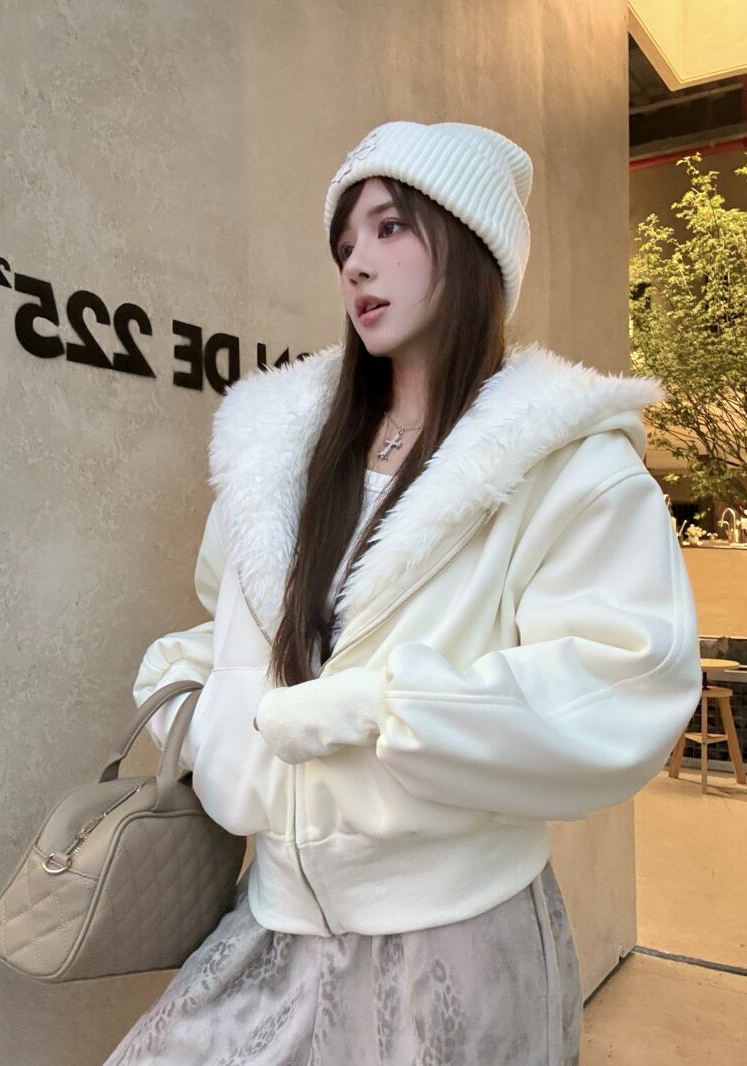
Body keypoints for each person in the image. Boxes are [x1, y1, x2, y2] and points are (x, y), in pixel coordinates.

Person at [103, 120, 702, 1065]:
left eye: (389, 228)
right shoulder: (283, 457)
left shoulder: (567, 466)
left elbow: (623, 683)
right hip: (274, 921)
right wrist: (200, 709)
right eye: (344, 243)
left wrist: (380, 710)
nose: (356, 263)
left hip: (457, 942)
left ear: (471, 244)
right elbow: (232, 633)